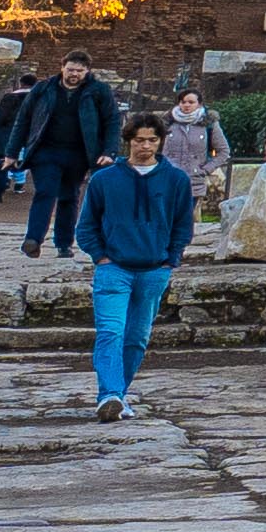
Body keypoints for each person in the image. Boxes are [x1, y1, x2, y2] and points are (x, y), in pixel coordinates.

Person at [75, 104, 200, 408]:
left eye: (152, 140)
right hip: (113, 267)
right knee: (110, 332)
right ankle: (109, 395)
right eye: (139, 140)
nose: (145, 146)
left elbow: (183, 224)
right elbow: (87, 224)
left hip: (154, 268)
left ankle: (119, 392)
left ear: (160, 141)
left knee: (136, 339)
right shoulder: (104, 180)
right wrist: (100, 256)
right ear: (128, 141)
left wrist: (172, 259)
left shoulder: (176, 180)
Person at [9, 49, 116, 256]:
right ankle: (33, 239)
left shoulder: (98, 91)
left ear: (87, 71)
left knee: (69, 196)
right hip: (46, 150)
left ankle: (64, 243)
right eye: (70, 69)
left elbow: (111, 121)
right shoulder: (44, 88)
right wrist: (12, 152)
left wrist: (109, 150)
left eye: (79, 71)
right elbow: (23, 119)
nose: (74, 74)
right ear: (62, 67)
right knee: (45, 192)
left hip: (79, 152)